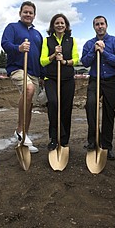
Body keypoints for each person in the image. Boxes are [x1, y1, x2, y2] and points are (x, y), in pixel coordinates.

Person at [81, 16, 115, 160]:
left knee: (108, 112)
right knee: (91, 106)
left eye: (102, 24)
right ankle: (93, 141)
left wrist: (104, 52)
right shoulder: (89, 44)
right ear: (94, 27)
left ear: (106, 25)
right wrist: (94, 51)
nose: (99, 26)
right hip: (95, 79)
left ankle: (107, 145)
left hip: (112, 80)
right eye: (97, 24)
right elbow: (85, 62)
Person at [2, 1, 43, 153]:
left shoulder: (37, 34)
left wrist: (42, 76)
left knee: (30, 103)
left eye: (30, 12)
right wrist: (18, 48)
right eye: (25, 12)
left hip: (34, 72)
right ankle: (19, 130)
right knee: (28, 88)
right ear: (20, 13)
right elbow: (5, 44)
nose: (28, 14)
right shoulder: (12, 27)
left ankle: (24, 135)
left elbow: (40, 56)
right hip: (18, 68)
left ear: (34, 15)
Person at [40, 14, 79, 150]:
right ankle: (54, 138)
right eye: (57, 23)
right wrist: (53, 55)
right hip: (51, 78)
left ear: (66, 25)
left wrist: (63, 61)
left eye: (62, 23)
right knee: (53, 104)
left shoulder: (71, 40)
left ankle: (64, 139)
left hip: (68, 79)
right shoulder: (47, 40)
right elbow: (42, 61)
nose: (60, 25)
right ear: (53, 25)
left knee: (66, 108)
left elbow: (76, 59)